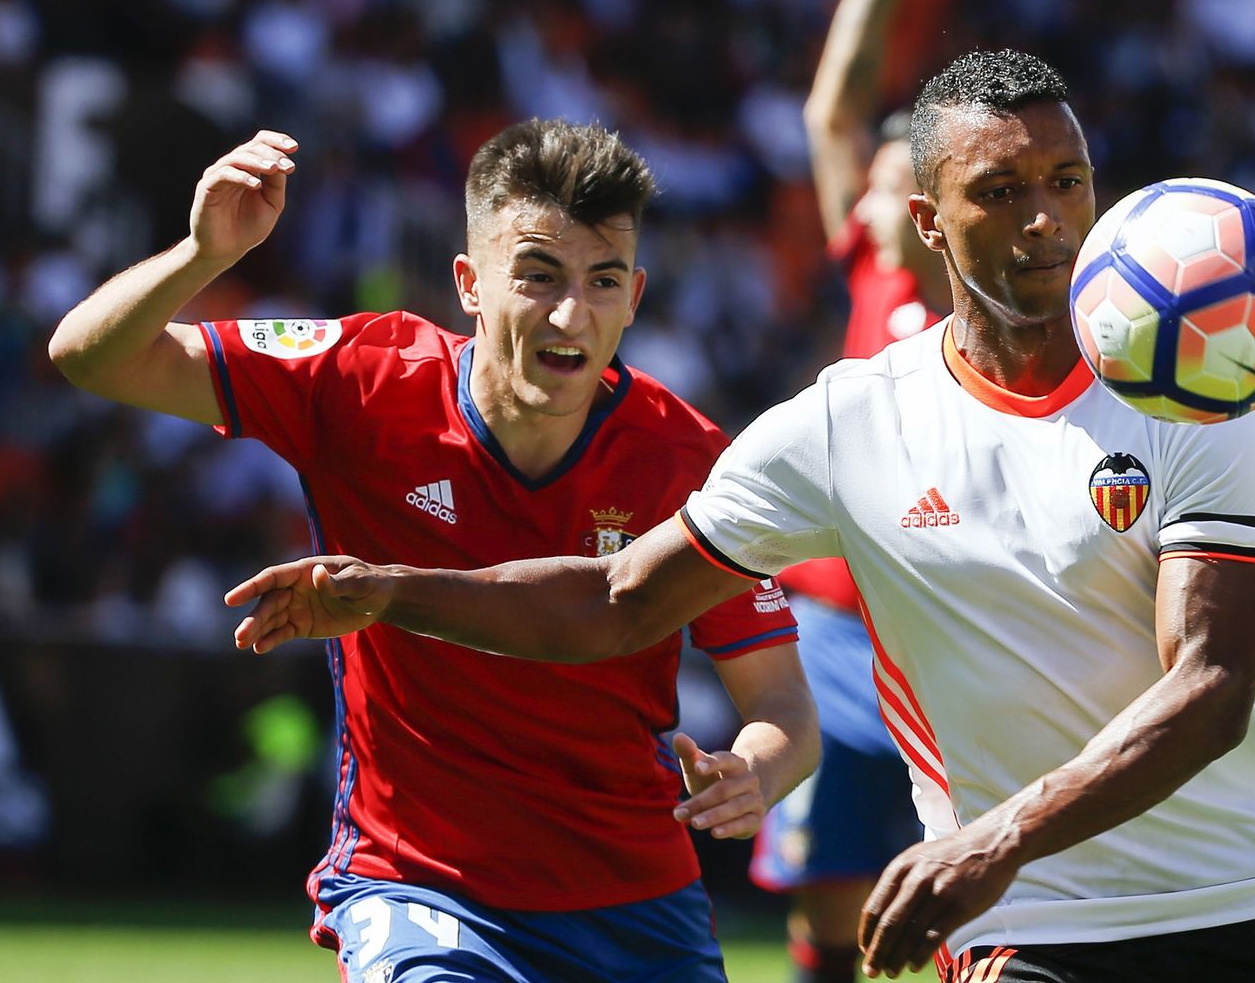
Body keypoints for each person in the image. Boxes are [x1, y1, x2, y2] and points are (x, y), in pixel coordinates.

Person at [227, 51, 1255, 981]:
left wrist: (991, 836)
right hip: (1040, 928)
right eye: (999, 191)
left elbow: (1207, 686)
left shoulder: (1200, 381)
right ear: (926, 224)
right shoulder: (849, 423)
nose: (1046, 219)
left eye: (1066, 182)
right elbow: (615, 601)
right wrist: (389, 590)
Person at [48, 119, 819, 983]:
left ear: (635, 296)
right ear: (469, 284)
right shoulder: (360, 377)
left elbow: (784, 707)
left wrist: (752, 771)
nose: (572, 313)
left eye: (603, 281)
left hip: (635, 898)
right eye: (537, 276)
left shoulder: (689, 459)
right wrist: (199, 254)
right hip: (417, 885)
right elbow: (91, 357)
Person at [753, 0, 949, 981]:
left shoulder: (999, 321)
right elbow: (833, 108)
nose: (863, 206)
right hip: (829, 633)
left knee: (966, 900)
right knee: (832, 911)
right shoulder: (873, 278)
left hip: (942, 636)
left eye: (885, 189)